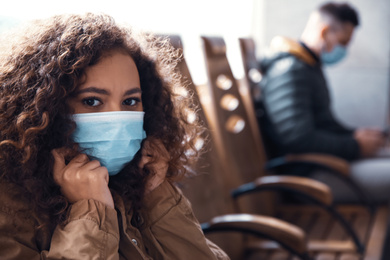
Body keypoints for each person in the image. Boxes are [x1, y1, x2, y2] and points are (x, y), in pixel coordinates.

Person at [0, 13, 229, 259]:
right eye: (92, 101)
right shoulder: (9, 203)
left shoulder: (136, 178)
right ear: (45, 107)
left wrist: (158, 196)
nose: (117, 119)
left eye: (130, 101)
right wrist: (91, 212)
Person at [255, 2, 389, 203]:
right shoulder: (289, 70)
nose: (345, 50)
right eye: (343, 43)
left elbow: (322, 124)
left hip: (324, 164)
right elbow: (298, 139)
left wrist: (354, 134)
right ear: (325, 31)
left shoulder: (308, 66)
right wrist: (354, 145)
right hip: (306, 176)